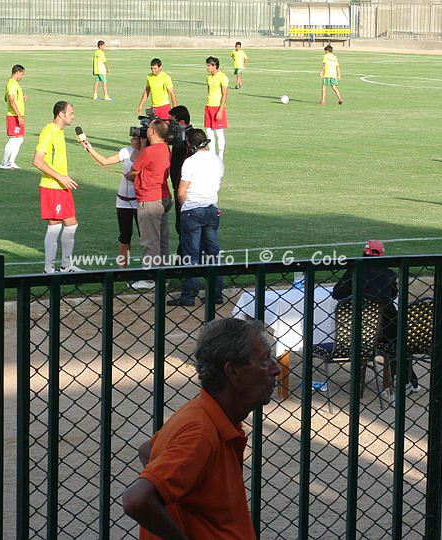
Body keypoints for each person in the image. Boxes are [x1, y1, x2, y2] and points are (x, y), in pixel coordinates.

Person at [122, 318, 280, 539]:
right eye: (264, 360)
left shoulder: (204, 412)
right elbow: (136, 500)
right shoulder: (200, 432)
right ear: (233, 372)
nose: (275, 368)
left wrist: (187, 511)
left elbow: (148, 450)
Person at [331, 240, 419, 396]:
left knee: (391, 343)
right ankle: (408, 380)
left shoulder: (355, 270)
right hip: (389, 325)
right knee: (397, 342)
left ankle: (403, 381)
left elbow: (337, 293)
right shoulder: (389, 273)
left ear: (364, 252)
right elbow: (393, 294)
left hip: (365, 330)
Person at [167, 129, 224, 307]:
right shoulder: (217, 160)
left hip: (192, 210)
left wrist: (184, 206)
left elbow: (181, 191)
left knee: (191, 255)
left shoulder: (190, 162)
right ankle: (216, 294)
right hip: (211, 209)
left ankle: (189, 295)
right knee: (213, 253)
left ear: (190, 144)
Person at [32, 101, 83, 273]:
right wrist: (60, 177)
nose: (73, 116)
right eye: (71, 113)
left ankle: (65, 265)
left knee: (71, 224)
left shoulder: (59, 131)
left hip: (61, 186)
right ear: (61, 114)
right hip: (52, 186)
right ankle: (49, 268)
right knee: (55, 225)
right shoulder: (49, 132)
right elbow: (37, 160)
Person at [80, 134, 142, 268]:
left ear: (142, 140)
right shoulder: (126, 151)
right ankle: (123, 271)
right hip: (122, 202)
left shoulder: (147, 154)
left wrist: (134, 177)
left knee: (145, 238)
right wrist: (89, 148)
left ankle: (150, 272)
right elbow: (105, 161)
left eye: (134, 138)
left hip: (140, 202)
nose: (131, 140)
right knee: (124, 238)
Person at [126, 119, 172, 284]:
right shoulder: (166, 148)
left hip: (150, 199)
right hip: (164, 196)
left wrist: (142, 146)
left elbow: (134, 170)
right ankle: (163, 276)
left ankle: (150, 278)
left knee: (150, 241)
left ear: (152, 132)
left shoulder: (149, 151)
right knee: (163, 240)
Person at [167, 105, 195, 255]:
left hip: (184, 191)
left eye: (172, 122)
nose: (169, 126)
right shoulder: (180, 136)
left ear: (182, 123)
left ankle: (184, 259)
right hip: (180, 187)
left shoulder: (188, 139)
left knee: (183, 226)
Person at [0, 64, 27, 170]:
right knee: (13, 139)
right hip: (14, 116)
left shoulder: (13, 84)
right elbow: (10, 100)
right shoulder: (12, 84)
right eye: (22, 74)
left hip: (17, 115)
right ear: (17, 72)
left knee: (19, 139)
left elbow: (7, 99)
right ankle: (4, 162)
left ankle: (11, 162)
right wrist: (19, 116)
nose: (22, 76)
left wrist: (21, 98)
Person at [204, 56, 229, 161]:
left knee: (219, 132)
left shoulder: (223, 77)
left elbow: (224, 94)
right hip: (208, 107)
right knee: (209, 131)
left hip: (217, 108)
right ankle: (212, 154)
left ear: (214, 66)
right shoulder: (208, 78)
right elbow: (209, 91)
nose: (207, 67)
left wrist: (220, 109)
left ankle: (221, 155)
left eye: (209, 65)